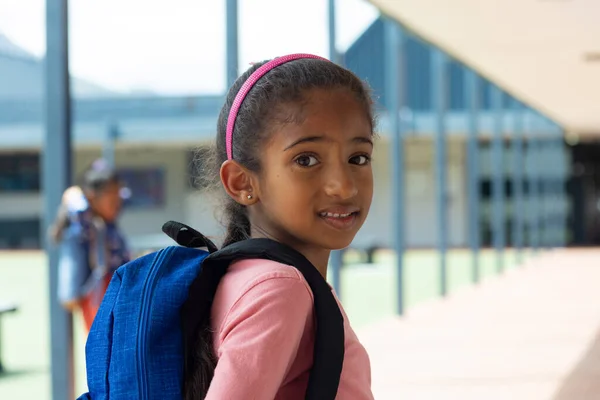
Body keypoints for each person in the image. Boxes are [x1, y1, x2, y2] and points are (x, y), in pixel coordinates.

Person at [192, 54, 376, 399]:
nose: (344, 186)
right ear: (242, 182)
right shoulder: (280, 289)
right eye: (306, 159)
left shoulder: (244, 277)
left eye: (358, 158)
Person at [50, 159, 130, 331]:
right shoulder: (86, 223)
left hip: (118, 288)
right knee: (104, 343)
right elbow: (75, 202)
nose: (118, 199)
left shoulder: (108, 223)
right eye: (111, 193)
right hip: (100, 291)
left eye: (118, 192)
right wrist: (74, 192)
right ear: (92, 197)